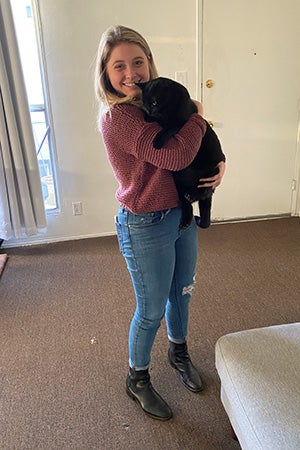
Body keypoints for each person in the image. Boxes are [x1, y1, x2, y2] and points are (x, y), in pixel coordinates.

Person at [94, 25, 226, 421]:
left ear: (150, 63)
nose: (131, 72)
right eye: (120, 65)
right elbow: (173, 157)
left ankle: (178, 351)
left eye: (138, 61)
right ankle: (137, 379)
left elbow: (196, 149)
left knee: (182, 291)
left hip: (181, 212)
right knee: (150, 308)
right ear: (105, 72)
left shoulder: (154, 102)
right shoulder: (118, 116)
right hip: (145, 222)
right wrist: (200, 117)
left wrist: (219, 167)